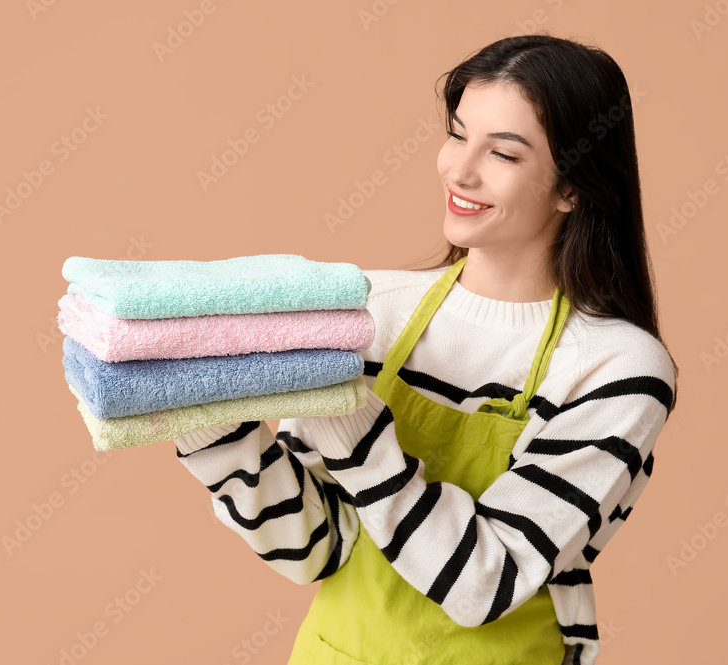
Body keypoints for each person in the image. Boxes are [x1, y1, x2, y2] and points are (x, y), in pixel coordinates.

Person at [173, 33, 679, 665]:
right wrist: (201, 410)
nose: (459, 170)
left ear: (572, 187)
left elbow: (483, 584)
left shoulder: (618, 369)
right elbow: (312, 549)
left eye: (503, 153)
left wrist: (348, 419)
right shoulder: (370, 311)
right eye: (458, 133)